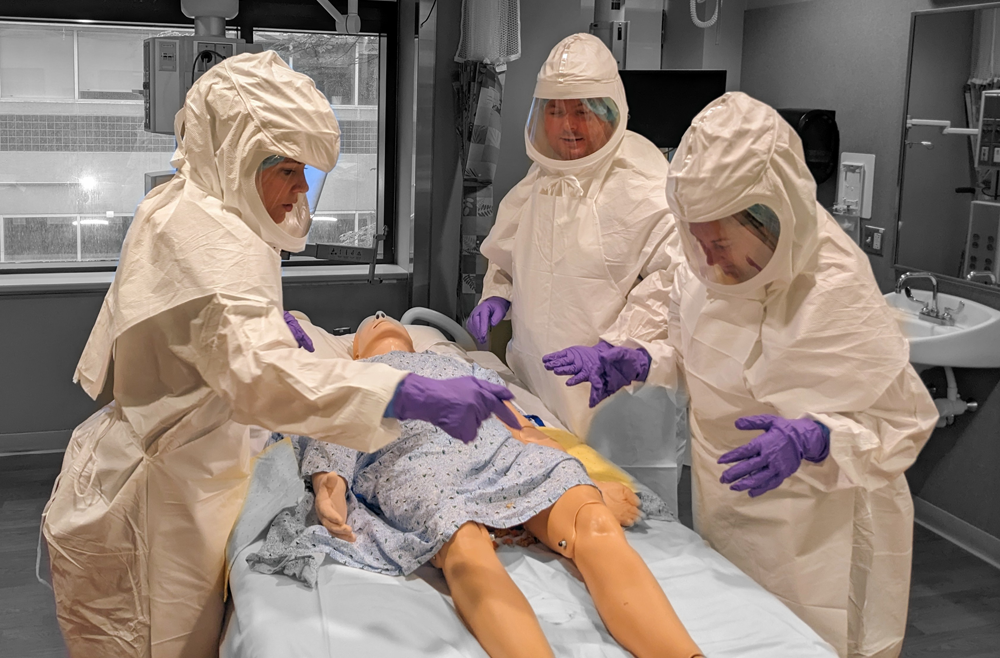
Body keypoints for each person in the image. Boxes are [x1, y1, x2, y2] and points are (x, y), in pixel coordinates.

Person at [41, 51, 515, 658]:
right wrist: (408, 391)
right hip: (162, 504)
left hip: (185, 466)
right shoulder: (211, 240)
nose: (299, 190)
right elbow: (257, 370)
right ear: (235, 156)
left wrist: (270, 330)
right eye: (287, 169)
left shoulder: (198, 203)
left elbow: (221, 337)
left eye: (307, 173)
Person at [546, 92, 938, 658]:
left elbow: (903, 421)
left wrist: (818, 438)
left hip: (820, 526)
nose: (711, 260)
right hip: (728, 503)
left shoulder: (834, 289)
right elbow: (687, 349)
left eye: (721, 244)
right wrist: (635, 359)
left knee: (814, 642)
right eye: (698, 240)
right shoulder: (703, 267)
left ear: (769, 214)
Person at [247, 312, 704, 658]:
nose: (383, 318)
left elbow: (525, 428)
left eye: (386, 316)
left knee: (595, 521)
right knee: (463, 540)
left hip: (502, 454)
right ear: (355, 348)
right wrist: (331, 488)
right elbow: (335, 431)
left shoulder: (472, 370)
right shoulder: (344, 376)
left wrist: (585, 475)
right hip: (413, 462)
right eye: (371, 321)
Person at [466, 33, 679, 438]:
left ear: (609, 111)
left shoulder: (644, 185)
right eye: (555, 112)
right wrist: (498, 292)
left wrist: (613, 349)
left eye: (581, 111)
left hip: (611, 399)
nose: (567, 126)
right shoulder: (542, 179)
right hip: (536, 385)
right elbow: (508, 252)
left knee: (610, 495)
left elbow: (671, 285)